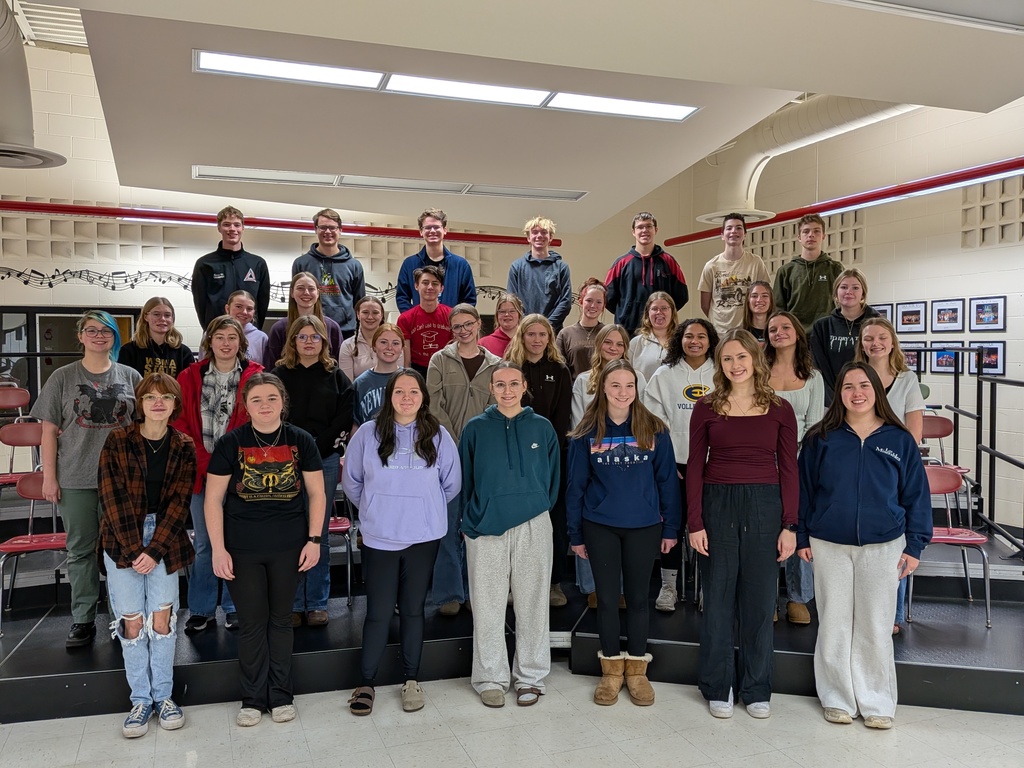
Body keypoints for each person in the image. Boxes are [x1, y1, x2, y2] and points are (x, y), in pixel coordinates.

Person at [797, 362, 931, 730]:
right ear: (838, 394)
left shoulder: (899, 439)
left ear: (877, 391)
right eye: (848, 387)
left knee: (875, 624)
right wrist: (802, 535)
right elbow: (804, 491)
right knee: (835, 623)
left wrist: (915, 545)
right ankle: (837, 698)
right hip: (828, 544)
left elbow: (916, 496)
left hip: (885, 545)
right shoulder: (820, 438)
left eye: (864, 385)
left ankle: (877, 701)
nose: (856, 393)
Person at [687, 329, 798, 720]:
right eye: (728, 359)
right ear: (720, 364)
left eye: (742, 357)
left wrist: (790, 524)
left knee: (759, 601)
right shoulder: (706, 407)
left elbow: (789, 468)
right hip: (717, 505)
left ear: (756, 359)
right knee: (717, 600)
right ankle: (719, 685)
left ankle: (756, 687)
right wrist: (695, 522)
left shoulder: (780, 408)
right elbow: (695, 468)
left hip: (766, 508)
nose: (735, 365)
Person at [206, 373, 325, 727]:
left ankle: (281, 695)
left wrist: (315, 540)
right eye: (257, 399)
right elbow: (213, 500)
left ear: (282, 402)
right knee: (253, 623)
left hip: (290, 547)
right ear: (245, 404)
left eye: (272, 398)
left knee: (280, 620)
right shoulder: (231, 443)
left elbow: (317, 494)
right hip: (242, 549)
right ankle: (253, 698)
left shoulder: (301, 440)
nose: (265, 405)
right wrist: (217, 549)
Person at [343, 370, 461, 715]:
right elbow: (352, 482)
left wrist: (425, 508)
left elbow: (451, 485)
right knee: (378, 612)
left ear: (423, 396)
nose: (406, 397)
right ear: (389, 396)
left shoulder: (437, 435)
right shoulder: (368, 433)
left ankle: (411, 679)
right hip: (380, 537)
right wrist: (375, 509)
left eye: (413, 391)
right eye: (399, 391)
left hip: (423, 537)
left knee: (412, 611)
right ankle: (366, 682)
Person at [567, 359, 679, 707]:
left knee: (638, 599)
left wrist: (671, 527)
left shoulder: (654, 429)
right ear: (602, 387)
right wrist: (575, 534)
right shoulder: (586, 432)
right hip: (599, 526)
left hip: (644, 527)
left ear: (637, 389)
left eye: (628, 385)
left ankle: (637, 671)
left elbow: (667, 483)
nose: (622, 392)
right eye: (615, 385)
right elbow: (576, 486)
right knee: (607, 600)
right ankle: (611, 670)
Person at [31, 310, 141, 648]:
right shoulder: (62, 378)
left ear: (114, 337)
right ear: (80, 336)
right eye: (91, 330)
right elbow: (47, 432)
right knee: (80, 551)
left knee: (123, 550)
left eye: (105, 330)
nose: (98, 336)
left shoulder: (131, 375)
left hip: (122, 480)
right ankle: (83, 619)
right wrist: (49, 477)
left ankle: (125, 613)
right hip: (76, 478)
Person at [98, 373, 196, 738]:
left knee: (161, 621)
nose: (158, 402)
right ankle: (140, 700)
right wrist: (134, 549)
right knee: (132, 623)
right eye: (150, 396)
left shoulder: (183, 445)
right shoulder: (118, 440)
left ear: (175, 404)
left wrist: (153, 551)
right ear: (139, 403)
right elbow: (111, 497)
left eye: (166, 397)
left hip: (165, 539)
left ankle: (164, 697)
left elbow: (178, 503)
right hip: (121, 536)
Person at [460, 362, 560, 708]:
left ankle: (530, 677)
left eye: (513, 384)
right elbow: (467, 481)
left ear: (524, 387)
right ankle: (490, 676)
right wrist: (473, 520)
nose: (507, 391)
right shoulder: (474, 429)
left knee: (532, 601)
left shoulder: (542, 428)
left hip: (533, 522)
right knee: (487, 604)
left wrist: (535, 506)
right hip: (486, 527)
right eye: (500, 385)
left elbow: (552, 481)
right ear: (490, 388)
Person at [174, 316, 263, 633]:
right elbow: (180, 423)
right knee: (206, 545)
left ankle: (235, 606)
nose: (226, 343)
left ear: (241, 343)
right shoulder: (189, 376)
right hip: (202, 474)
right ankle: (201, 608)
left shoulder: (257, 377)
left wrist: (230, 466)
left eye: (232, 337)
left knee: (239, 543)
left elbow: (262, 422)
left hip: (242, 475)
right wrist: (206, 465)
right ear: (209, 341)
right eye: (219, 337)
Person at [271, 315, 354, 626]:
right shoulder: (279, 375)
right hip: (284, 460)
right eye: (302, 337)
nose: (308, 342)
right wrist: (295, 449)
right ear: (293, 341)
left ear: (324, 341)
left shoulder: (335, 376)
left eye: (314, 337)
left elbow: (345, 415)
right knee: (291, 531)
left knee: (316, 531)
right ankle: (292, 603)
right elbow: (271, 413)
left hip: (324, 459)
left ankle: (317, 602)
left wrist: (314, 449)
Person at [426, 304, 501, 616]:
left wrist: (475, 442)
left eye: (468, 324)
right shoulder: (439, 360)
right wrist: (455, 442)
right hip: (445, 455)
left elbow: (497, 405)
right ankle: (448, 594)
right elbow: (432, 404)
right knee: (447, 526)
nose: (463, 330)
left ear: (478, 326)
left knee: (478, 528)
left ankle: (476, 592)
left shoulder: (497, 364)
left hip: (482, 456)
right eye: (456, 326)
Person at [853, 316, 927, 633]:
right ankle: (862, 611)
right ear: (862, 344)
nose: (875, 343)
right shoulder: (856, 377)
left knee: (895, 545)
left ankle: (893, 616)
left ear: (892, 342)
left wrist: (890, 457)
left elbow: (914, 434)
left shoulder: (907, 380)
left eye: (882, 337)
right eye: (868, 338)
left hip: (895, 469)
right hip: (860, 469)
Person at [643, 318, 719, 612]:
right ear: (680, 340)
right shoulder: (664, 375)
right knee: (672, 526)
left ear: (711, 340)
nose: (695, 341)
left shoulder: (721, 373)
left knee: (708, 527)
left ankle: (708, 588)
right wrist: (664, 461)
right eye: (689, 336)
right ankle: (669, 586)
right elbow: (652, 421)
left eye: (701, 336)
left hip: (713, 466)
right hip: (675, 464)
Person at [504, 314, 573, 606]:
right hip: (514, 456)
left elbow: (562, 417)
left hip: (549, 456)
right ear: (522, 336)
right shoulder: (510, 369)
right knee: (515, 522)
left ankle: (554, 583)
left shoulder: (560, 370)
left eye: (542, 334)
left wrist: (548, 455)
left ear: (549, 338)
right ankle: (511, 584)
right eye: (531, 334)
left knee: (553, 521)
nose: (536, 340)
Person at [765, 311, 825, 625]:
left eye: (786, 327)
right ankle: (767, 598)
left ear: (798, 333)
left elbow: (814, 426)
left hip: (799, 459)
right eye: (773, 329)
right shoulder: (757, 373)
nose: (779, 332)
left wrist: (809, 463)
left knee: (798, 525)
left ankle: (799, 596)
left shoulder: (813, 377)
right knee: (766, 529)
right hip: (762, 458)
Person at [604, 212, 688, 335]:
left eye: (649, 226)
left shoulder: (669, 262)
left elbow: (682, 296)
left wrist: (664, 315)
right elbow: (608, 298)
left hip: (661, 331)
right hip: (627, 330)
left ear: (656, 230)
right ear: (633, 231)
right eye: (640, 227)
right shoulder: (621, 263)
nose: (645, 230)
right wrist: (626, 313)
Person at [191, 206, 270, 330]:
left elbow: (262, 304)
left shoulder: (258, 263)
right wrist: (211, 331)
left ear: (243, 228)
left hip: (249, 334)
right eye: (227, 224)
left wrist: (255, 330)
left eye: (237, 225)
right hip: (218, 334)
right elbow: (200, 305)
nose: (232, 229)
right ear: (219, 228)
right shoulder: (204, 264)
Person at [291, 208, 365, 338]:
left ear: (340, 230)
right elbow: (295, 299)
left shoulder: (354, 265)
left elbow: (360, 303)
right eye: (323, 227)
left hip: (345, 331)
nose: (328, 232)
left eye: (332, 228)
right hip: (310, 330)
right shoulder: (301, 263)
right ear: (316, 229)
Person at [810, 268, 880, 404]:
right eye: (844, 287)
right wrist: (836, 399)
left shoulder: (877, 324)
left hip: (868, 398)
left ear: (863, 293)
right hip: (831, 400)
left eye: (855, 287)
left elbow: (882, 363)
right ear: (836, 292)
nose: (849, 292)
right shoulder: (822, 327)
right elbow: (819, 368)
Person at [698, 214, 771, 336]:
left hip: (749, 332)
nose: (734, 231)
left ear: (745, 234)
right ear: (722, 235)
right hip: (719, 333)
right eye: (729, 228)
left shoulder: (756, 262)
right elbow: (705, 305)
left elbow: (765, 296)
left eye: (738, 228)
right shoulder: (711, 266)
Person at [395, 208, 477, 312]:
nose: (432, 231)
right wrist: (415, 319)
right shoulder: (409, 264)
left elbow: (469, 300)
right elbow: (402, 298)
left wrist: (456, 321)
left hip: (451, 326)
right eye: (428, 227)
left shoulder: (461, 265)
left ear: (445, 230)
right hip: (419, 326)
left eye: (436, 227)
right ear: (421, 231)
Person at [773, 214, 844, 331]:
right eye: (806, 231)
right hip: (795, 336)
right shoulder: (785, 271)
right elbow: (778, 309)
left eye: (816, 231)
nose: (811, 235)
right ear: (799, 237)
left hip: (826, 333)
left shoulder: (835, 268)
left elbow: (843, 304)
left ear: (823, 236)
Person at [571, 325, 648, 429]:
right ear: (598, 343)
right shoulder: (583, 380)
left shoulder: (637, 378)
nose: (613, 348)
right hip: (593, 441)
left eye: (620, 344)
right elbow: (578, 425)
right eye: (608, 342)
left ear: (625, 349)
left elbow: (643, 417)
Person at [506, 216, 572, 334]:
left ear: (551, 237)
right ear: (528, 238)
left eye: (544, 232)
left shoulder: (562, 268)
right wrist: (529, 326)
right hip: (525, 332)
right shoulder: (517, 267)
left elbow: (565, 302)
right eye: (535, 232)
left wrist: (546, 327)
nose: (539, 236)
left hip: (553, 332)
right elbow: (512, 302)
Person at [265, 272, 344, 367]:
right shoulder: (278, 329)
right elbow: (271, 369)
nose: (306, 292)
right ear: (292, 293)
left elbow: (338, 365)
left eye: (311, 289)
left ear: (318, 293)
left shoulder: (332, 327)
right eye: (300, 288)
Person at [118, 297, 194, 378]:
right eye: (156, 314)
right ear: (146, 317)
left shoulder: (184, 353)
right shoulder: (128, 351)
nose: (162, 319)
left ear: (172, 319)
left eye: (167, 315)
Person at [398, 265, 452, 377]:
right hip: (417, 371)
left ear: (442, 288)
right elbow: (406, 361)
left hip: (445, 369)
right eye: (425, 283)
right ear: (416, 286)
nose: (430, 287)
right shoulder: (405, 318)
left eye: (435, 283)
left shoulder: (452, 315)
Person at [353, 324, 405, 426]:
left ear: (402, 349)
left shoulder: (411, 380)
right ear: (374, 347)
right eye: (383, 342)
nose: (389, 347)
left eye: (395, 343)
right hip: (370, 440)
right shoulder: (361, 383)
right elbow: (355, 424)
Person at [556, 278, 608, 380]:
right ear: (581, 301)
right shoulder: (565, 334)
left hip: (603, 392)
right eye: (589, 300)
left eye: (599, 302)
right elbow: (558, 368)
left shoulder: (609, 333)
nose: (593, 306)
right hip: (574, 392)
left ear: (603, 306)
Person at [629, 291, 678, 380]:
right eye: (654, 309)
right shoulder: (636, 343)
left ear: (672, 312)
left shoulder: (680, 342)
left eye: (664, 308)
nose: (659, 312)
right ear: (648, 313)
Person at [338, 295, 385, 383]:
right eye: (365, 312)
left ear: (382, 315)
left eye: (375, 313)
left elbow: (397, 378)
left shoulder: (394, 344)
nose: (370, 317)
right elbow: (347, 385)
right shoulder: (347, 345)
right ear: (358, 314)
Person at [224, 290, 269, 364]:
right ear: (227, 308)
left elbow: (266, 368)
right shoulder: (212, 334)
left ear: (254, 312)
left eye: (249, 309)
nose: (244, 312)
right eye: (238, 306)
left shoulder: (261, 338)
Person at [479, 292, 523, 358]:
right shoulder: (483, 344)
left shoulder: (528, 341)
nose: (507, 315)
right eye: (502, 311)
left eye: (512, 311)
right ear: (497, 315)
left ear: (519, 314)